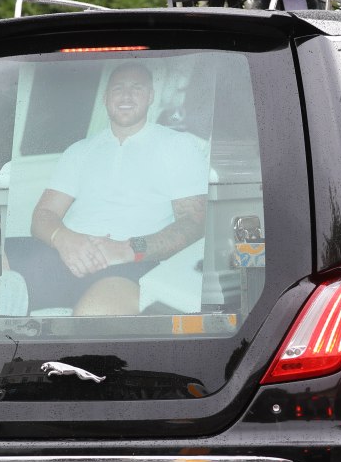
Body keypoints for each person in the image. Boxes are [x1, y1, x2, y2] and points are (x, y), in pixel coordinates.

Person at [24, 62, 208, 315]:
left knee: (91, 315)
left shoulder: (178, 146)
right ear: (105, 97)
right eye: (118, 88)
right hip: (66, 251)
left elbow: (193, 223)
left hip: (131, 263)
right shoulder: (79, 151)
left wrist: (128, 249)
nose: (126, 95)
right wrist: (64, 239)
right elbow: (42, 216)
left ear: (150, 96)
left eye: (136, 88)